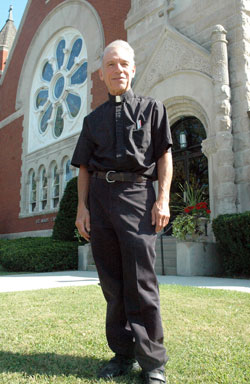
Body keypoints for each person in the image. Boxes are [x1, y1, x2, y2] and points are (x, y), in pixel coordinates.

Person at [71, 40, 173, 384]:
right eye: (111, 65)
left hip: (136, 196)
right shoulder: (91, 120)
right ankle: (122, 352)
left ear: (133, 67)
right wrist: (82, 209)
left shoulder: (153, 109)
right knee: (112, 283)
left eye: (124, 63)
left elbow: (163, 157)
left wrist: (163, 200)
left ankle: (153, 363)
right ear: (102, 74)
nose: (118, 70)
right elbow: (83, 166)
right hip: (99, 199)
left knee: (141, 281)